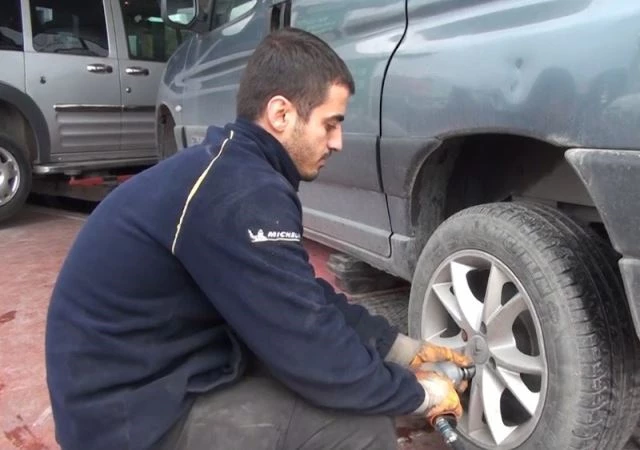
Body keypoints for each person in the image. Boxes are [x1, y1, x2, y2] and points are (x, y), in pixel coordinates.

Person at [44, 27, 473, 450]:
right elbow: (308, 347)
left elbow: (300, 298)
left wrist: (401, 350)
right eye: (330, 124)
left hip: (146, 381)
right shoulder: (241, 193)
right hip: (127, 421)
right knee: (358, 427)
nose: (338, 142)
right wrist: (420, 394)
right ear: (281, 114)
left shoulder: (229, 169)